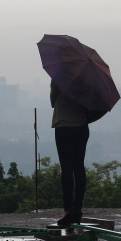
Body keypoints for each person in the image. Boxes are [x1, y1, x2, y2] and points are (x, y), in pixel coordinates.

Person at [50, 79, 89, 227]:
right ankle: (77, 209)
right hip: (81, 125)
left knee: (66, 169)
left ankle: (67, 211)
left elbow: (53, 102)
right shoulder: (87, 78)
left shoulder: (58, 76)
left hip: (64, 125)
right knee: (79, 167)